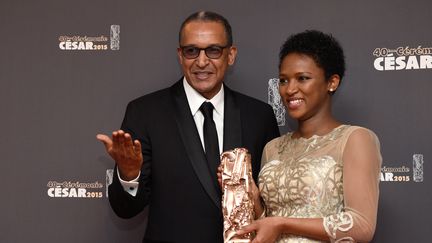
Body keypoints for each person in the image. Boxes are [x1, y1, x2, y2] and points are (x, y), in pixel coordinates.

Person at [96, 11, 279, 243]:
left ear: (230, 55)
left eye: (213, 50)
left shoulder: (259, 115)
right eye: (192, 51)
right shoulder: (145, 112)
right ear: (180, 55)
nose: (202, 62)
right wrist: (129, 175)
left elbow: (273, 203)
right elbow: (125, 210)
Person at [236, 30, 382, 242]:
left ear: (332, 82)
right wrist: (249, 193)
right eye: (284, 80)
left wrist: (282, 223)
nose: (290, 89)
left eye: (302, 78)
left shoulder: (354, 139)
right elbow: (266, 223)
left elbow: (361, 226)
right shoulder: (273, 147)